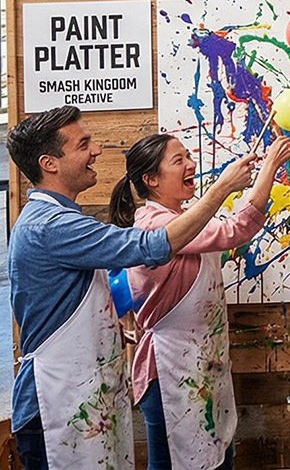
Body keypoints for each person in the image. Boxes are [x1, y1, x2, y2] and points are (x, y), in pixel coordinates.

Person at [7, 105, 260, 470]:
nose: (97, 150)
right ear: (49, 163)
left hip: (77, 394)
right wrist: (221, 188)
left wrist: (105, 328)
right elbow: (152, 246)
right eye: (83, 144)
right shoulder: (51, 226)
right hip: (54, 405)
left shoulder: (58, 219)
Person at [109, 134, 290, 470]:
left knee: (217, 459)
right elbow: (235, 230)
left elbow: (226, 226)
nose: (191, 164)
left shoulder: (182, 216)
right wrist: (269, 166)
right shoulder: (157, 224)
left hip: (204, 367)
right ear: (151, 180)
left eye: (188, 156)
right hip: (170, 372)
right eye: (178, 160)